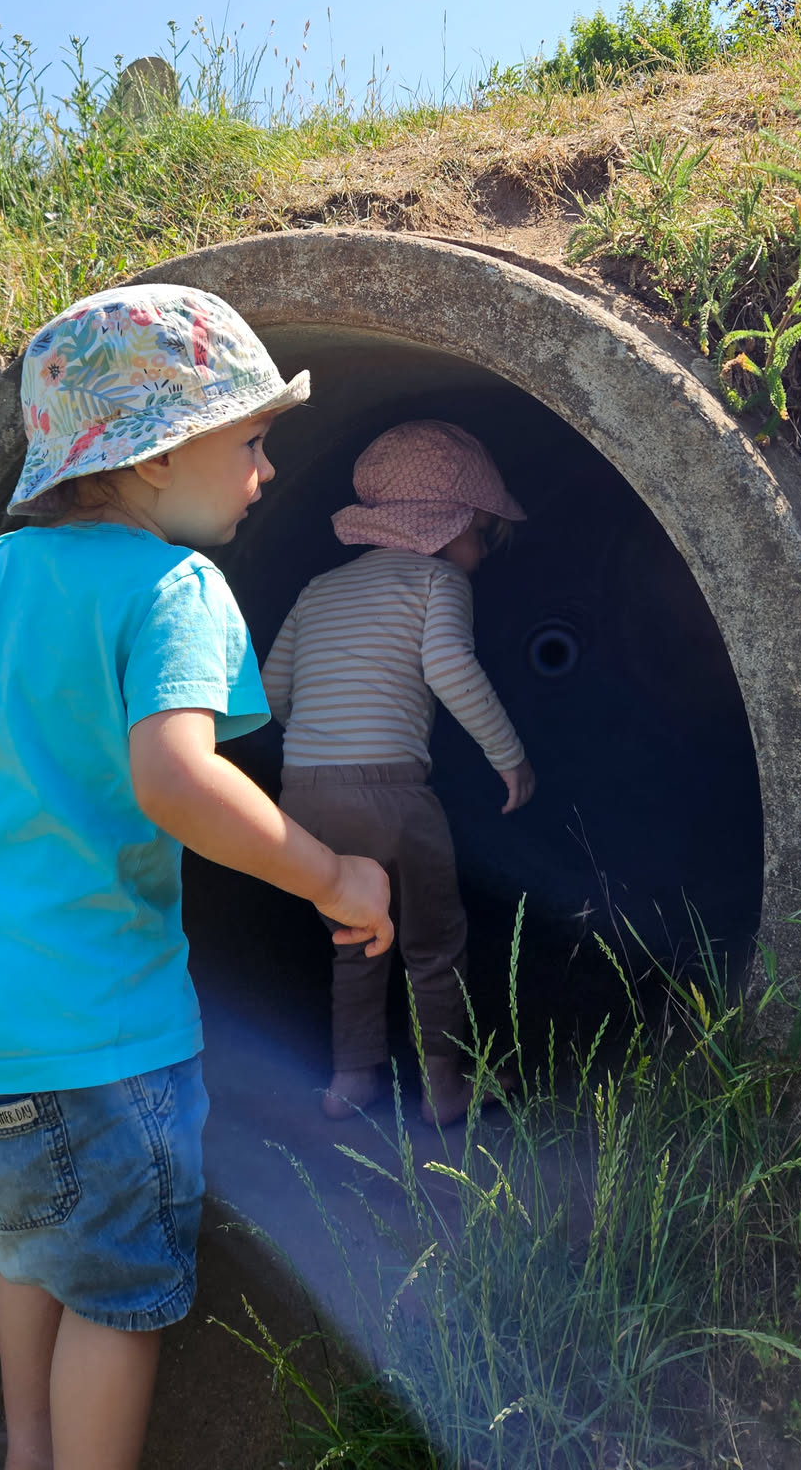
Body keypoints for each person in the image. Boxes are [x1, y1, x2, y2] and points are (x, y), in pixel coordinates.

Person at [0, 285, 392, 1470]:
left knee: (33, 1248)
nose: (268, 470)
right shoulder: (171, 588)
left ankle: (28, 1449)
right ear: (150, 460)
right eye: (250, 440)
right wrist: (334, 876)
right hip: (91, 1052)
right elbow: (177, 781)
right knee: (118, 1302)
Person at [262, 419, 534, 1127]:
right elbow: (449, 667)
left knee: (355, 932)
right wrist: (510, 757)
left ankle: (350, 1077)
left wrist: (325, 747)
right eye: (483, 535)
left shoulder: (319, 589)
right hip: (392, 794)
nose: (481, 553)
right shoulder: (439, 578)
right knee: (432, 940)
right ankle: (444, 1086)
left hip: (306, 795)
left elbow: (272, 693)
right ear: (454, 524)